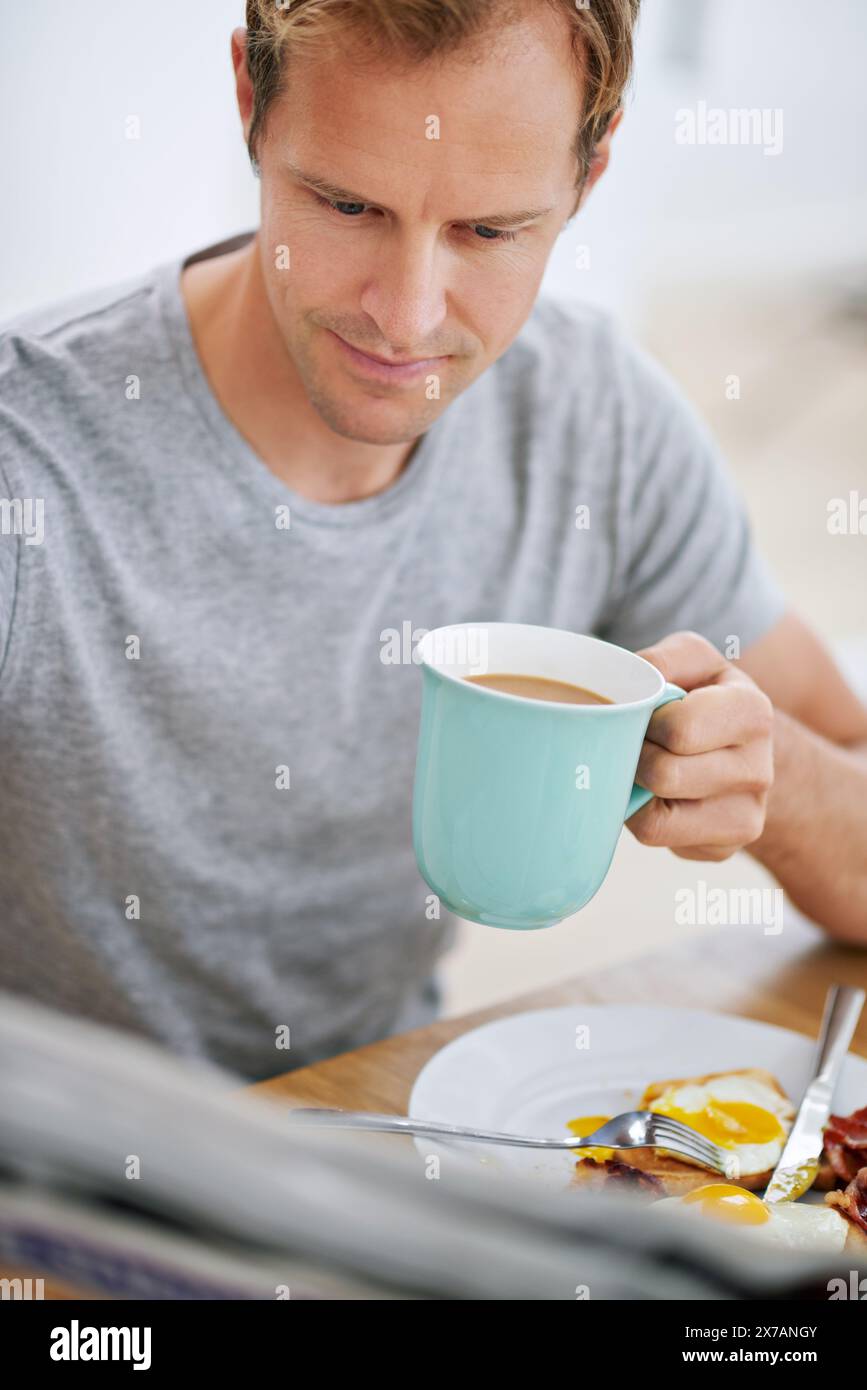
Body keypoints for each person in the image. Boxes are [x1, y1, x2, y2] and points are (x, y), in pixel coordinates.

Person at [1, 0, 865, 1081]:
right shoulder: (27, 454)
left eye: (490, 231)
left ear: (590, 178)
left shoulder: (596, 419)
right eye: (348, 204)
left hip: (385, 1142)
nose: (405, 318)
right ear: (249, 105)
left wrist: (770, 775)